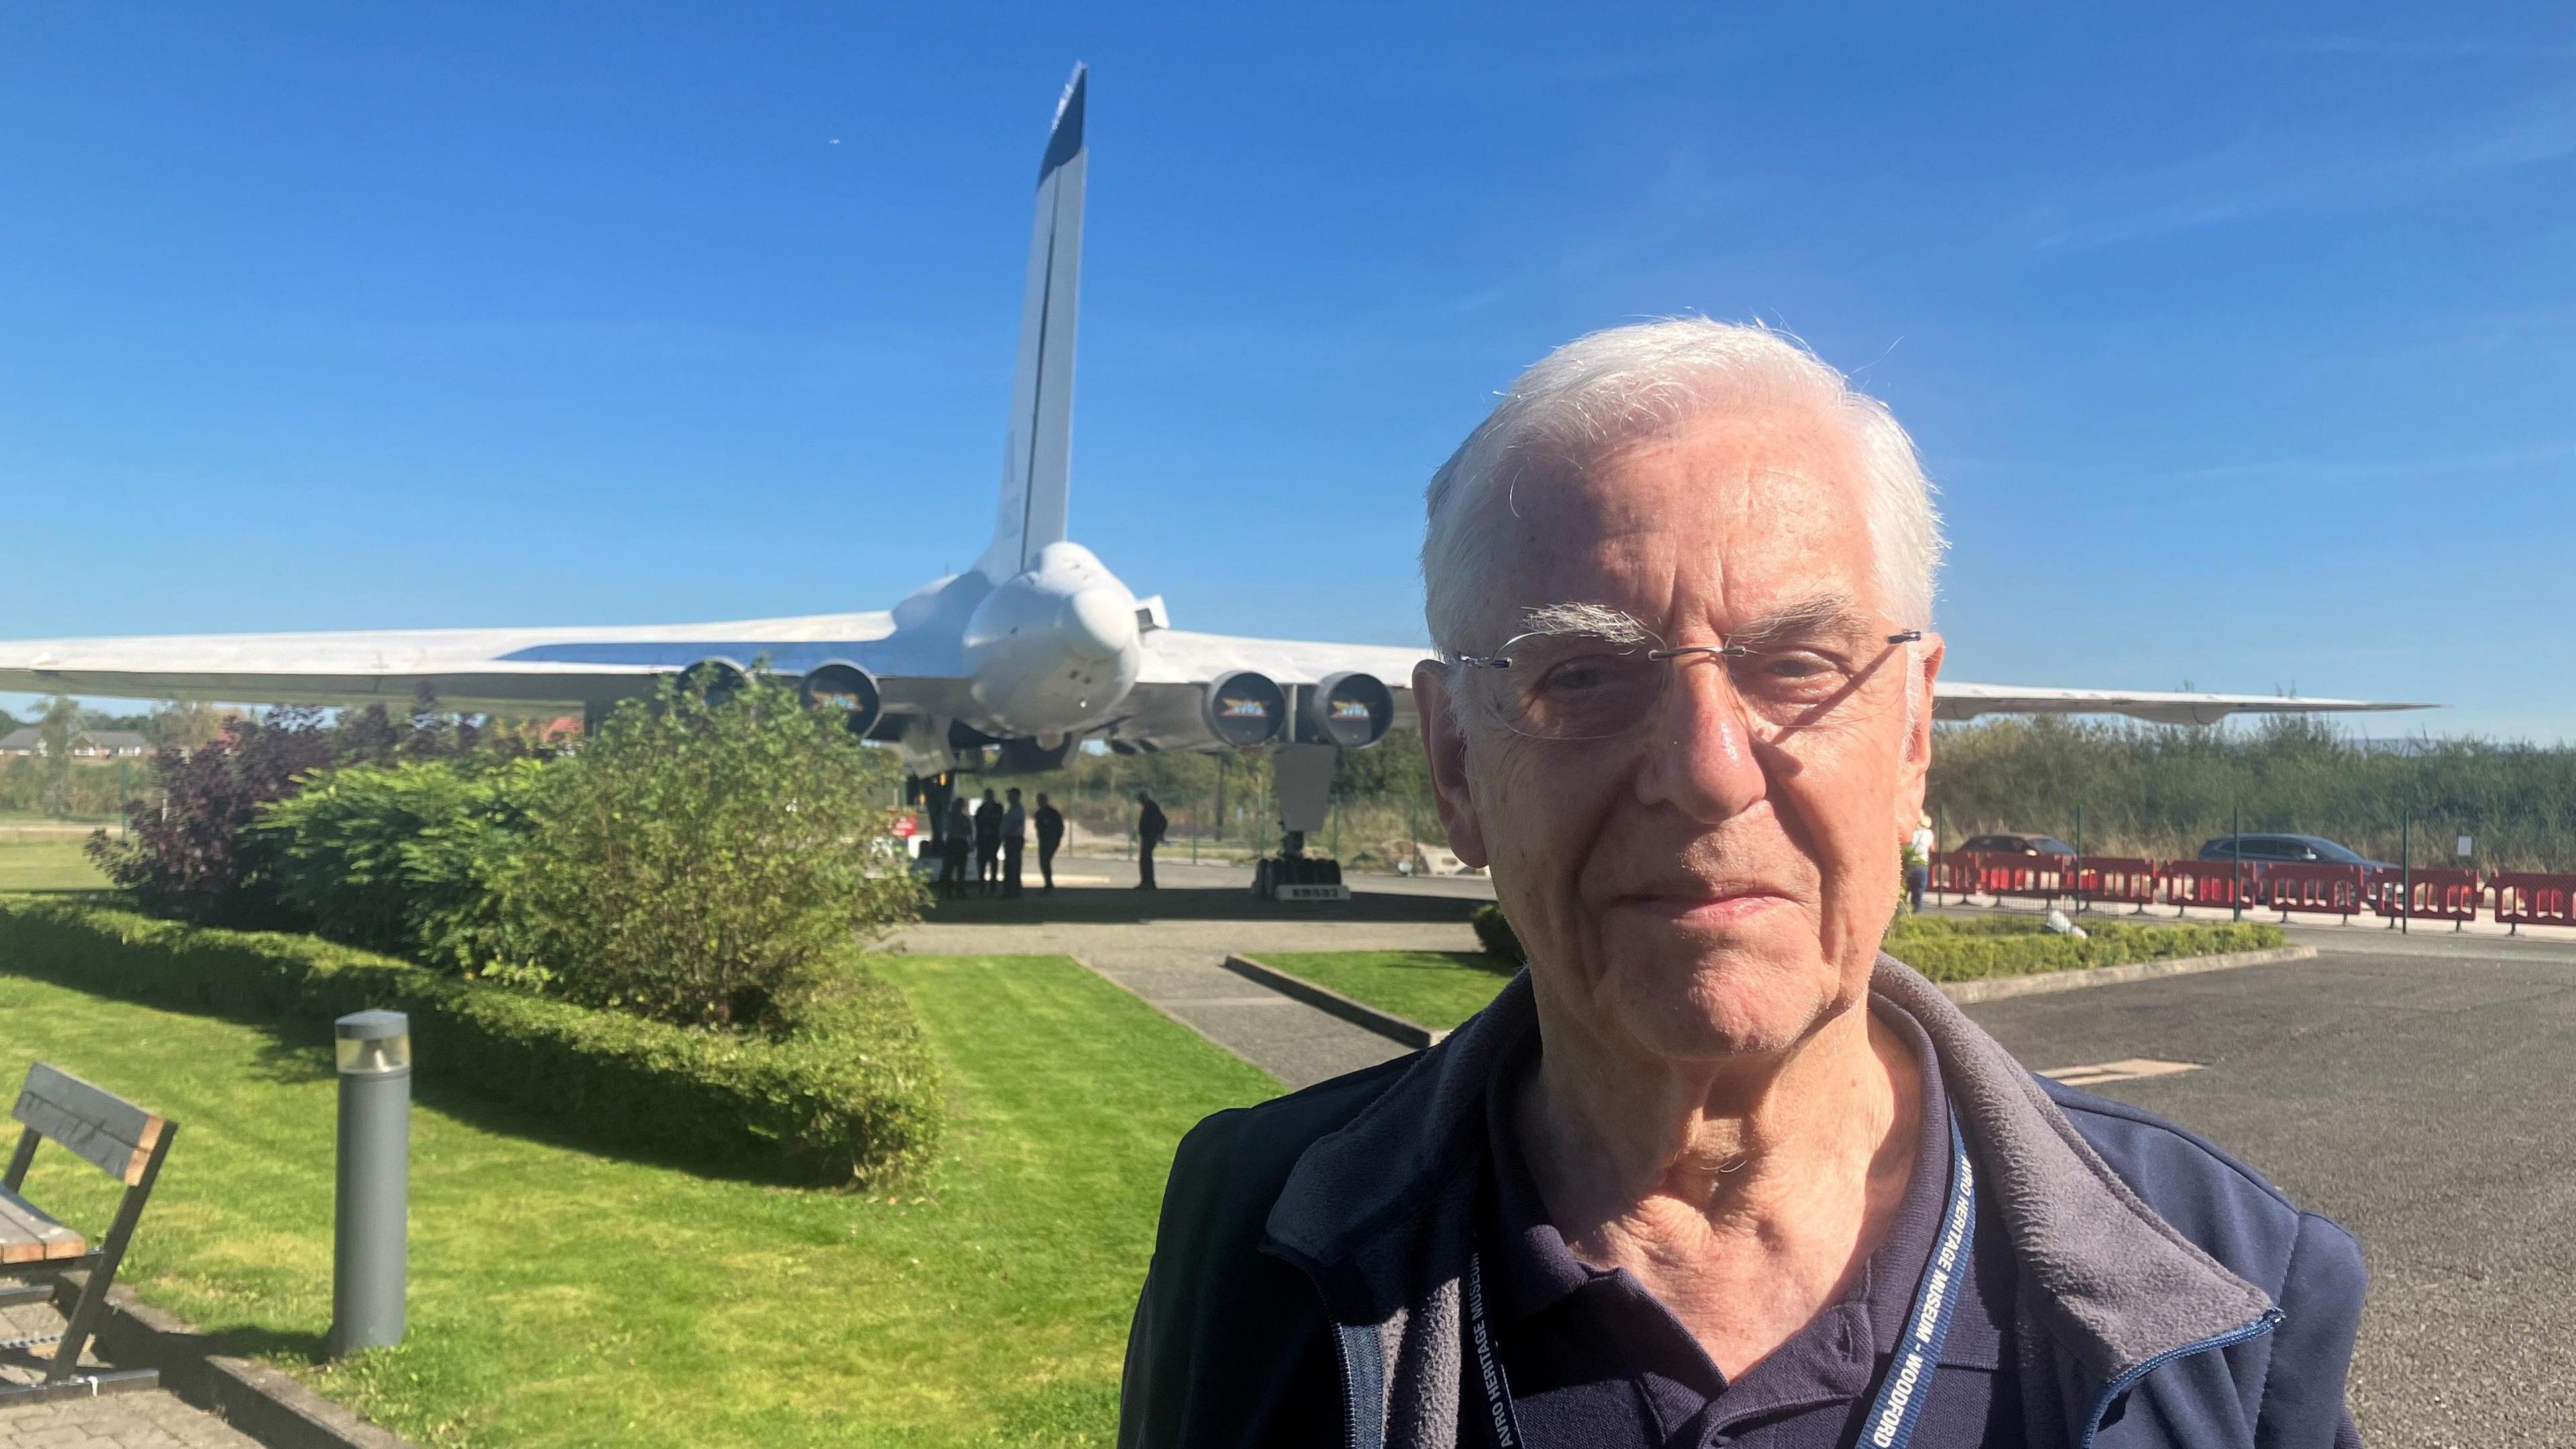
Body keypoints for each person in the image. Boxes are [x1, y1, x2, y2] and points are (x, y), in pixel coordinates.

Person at [1118, 320, 2364, 1449]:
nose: (1709, 775)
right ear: (1454, 763)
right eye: (1585, 679)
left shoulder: (2230, 1293)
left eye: (1796, 664)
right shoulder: (1256, 1236)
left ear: (1915, 737)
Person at [941, 798, 973, 900]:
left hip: (961, 843)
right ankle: (947, 890)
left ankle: (959, 889)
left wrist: (971, 843)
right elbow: (946, 829)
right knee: (948, 868)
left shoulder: (965, 819)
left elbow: (969, 832)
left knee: (961, 868)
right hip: (952, 842)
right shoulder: (949, 817)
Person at [1134, 789, 1167, 890]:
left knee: (1146, 859)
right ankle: (1146, 882)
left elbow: (1163, 821)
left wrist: (1159, 833)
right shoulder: (1148, 806)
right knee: (1145, 859)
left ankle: (1149, 882)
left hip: (1150, 837)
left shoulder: (1151, 806)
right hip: (1147, 836)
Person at [973, 789, 1004, 896]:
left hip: (993, 839)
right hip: (982, 840)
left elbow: (999, 821)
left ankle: (993, 887)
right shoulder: (981, 809)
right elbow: (977, 822)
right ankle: (982, 887)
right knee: (981, 865)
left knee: (993, 864)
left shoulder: (998, 808)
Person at [1034, 792, 1066, 892]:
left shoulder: (1053, 813)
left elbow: (1060, 827)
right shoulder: (1039, 814)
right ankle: (1048, 883)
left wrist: (1057, 839)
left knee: (1045, 861)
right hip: (1043, 841)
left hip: (1051, 841)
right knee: (1043, 862)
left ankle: (1049, 884)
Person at [1908, 812, 1938, 914]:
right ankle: (1917, 914)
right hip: (1922, 865)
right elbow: (1933, 849)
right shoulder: (1929, 834)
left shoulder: (1911, 833)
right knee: (1919, 892)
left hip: (1910, 864)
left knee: (1906, 891)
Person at [1002, 787, 1028, 898]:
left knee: (1012, 865)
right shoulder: (1013, 809)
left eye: (1011, 795)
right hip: (1011, 838)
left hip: (1014, 839)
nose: (1008, 797)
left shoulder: (1018, 809)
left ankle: (1012, 891)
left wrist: (1008, 833)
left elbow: (1017, 823)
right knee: (1011, 865)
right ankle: (1012, 890)